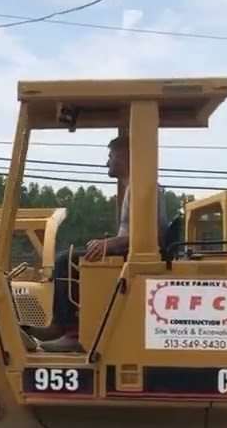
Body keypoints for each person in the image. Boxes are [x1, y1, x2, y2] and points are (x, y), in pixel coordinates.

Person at [25, 134, 177, 352]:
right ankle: (62, 326)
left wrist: (110, 245)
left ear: (125, 156)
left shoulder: (143, 189)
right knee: (72, 256)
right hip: (128, 253)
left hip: (135, 259)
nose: (107, 162)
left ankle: (71, 332)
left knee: (65, 260)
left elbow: (152, 235)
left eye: (111, 156)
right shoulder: (135, 187)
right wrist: (109, 241)